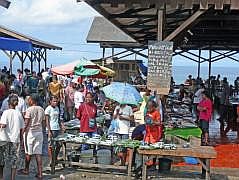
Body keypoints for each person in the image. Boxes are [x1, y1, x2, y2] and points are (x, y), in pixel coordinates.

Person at [18, 94, 45, 178]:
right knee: (38, 153)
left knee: (28, 153)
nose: (28, 101)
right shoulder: (41, 109)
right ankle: (40, 173)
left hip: (30, 133)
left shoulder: (29, 110)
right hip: (39, 132)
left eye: (29, 99)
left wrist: (22, 133)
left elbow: (26, 123)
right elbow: (43, 123)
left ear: (33, 100)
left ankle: (26, 169)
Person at [0, 94, 25, 180]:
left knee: (2, 159)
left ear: (8, 103)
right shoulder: (19, 114)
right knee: (14, 160)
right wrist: (21, 140)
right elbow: (22, 129)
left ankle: (1, 177)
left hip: (4, 139)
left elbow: (3, 125)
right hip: (15, 139)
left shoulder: (5, 112)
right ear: (16, 104)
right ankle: (12, 178)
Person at [45, 96, 65, 165]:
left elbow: (58, 119)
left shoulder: (57, 108)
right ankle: (51, 159)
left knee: (59, 144)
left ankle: (55, 157)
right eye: (54, 101)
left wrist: (61, 126)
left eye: (56, 101)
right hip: (51, 129)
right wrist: (49, 131)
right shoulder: (48, 109)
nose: (55, 103)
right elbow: (47, 121)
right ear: (50, 101)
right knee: (51, 145)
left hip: (57, 128)